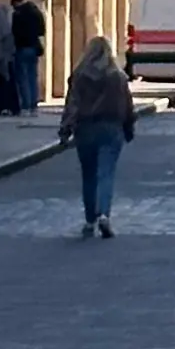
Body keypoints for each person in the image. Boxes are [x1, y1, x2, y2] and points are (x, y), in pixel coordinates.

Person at [64, 35, 137, 238]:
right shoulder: (117, 77)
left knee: (88, 175)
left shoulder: (79, 76)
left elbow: (72, 104)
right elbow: (127, 105)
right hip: (111, 128)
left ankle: (89, 220)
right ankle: (104, 214)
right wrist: (129, 127)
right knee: (106, 173)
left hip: (85, 128)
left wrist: (65, 129)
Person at [11, 0, 47, 118]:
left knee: (23, 78)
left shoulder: (18, 14)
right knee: (32, 77)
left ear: (16, 3)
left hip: (22, 48)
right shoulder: (36, 12)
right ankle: (33, 105)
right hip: (34, 48)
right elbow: (42, 30)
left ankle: (26, 105)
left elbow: (14, 32)